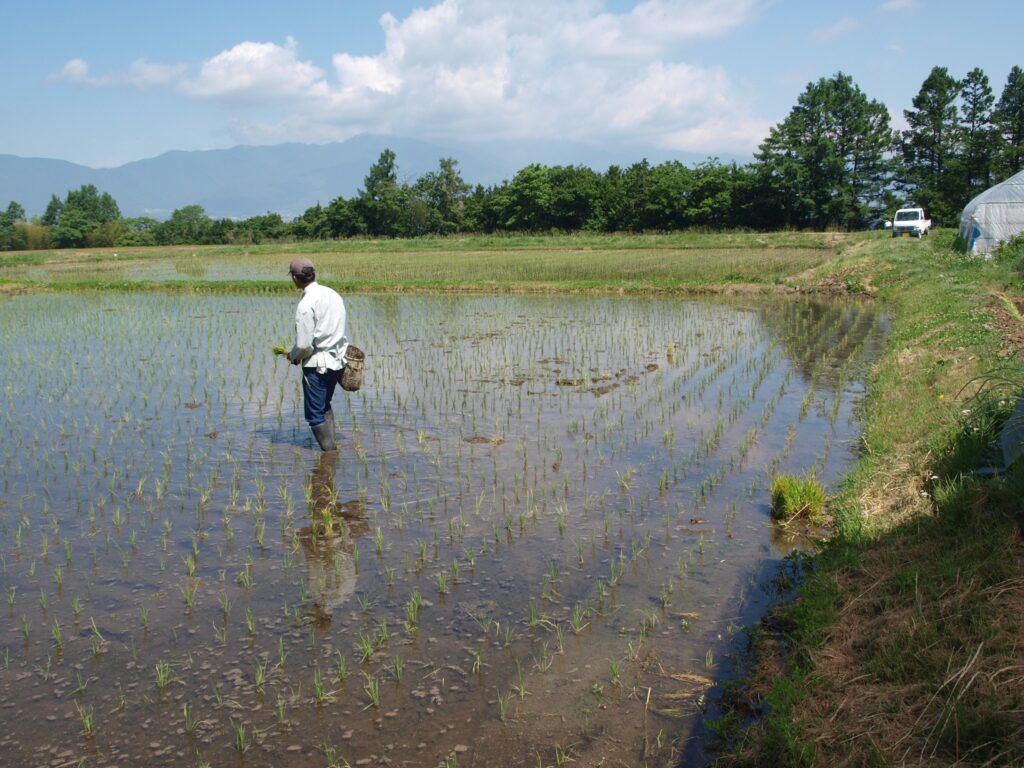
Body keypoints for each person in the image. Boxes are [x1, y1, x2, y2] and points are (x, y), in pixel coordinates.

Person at [286, 257, 348, 451]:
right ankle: (332, 446)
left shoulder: (306, 304)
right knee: (324, 405)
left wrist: (293, 356)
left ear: (296, 278)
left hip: (318, 365)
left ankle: (329, 455)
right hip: (337, 362)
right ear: (313, 274)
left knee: (314, 415)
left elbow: (304, 345)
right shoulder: (332, 294)